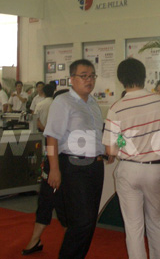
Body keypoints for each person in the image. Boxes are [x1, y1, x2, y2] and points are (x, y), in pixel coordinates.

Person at [103, 58, 160, 259]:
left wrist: (124, 142)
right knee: (155, 221)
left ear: (121, 80)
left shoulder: (116, 107)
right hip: (155, 168)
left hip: (129, 169)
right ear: (144, 76)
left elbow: (110, 149)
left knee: (133, 226)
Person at [43, 59, 108, 258]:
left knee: (90, 221)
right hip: (74, 166)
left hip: (95, 167)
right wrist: (54, 169)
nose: (89, 80)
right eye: (84, 76)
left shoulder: (93, 103)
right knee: (82, 221)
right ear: (72, 79)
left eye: (92, 76)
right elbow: (52, 137)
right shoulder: (63, 102)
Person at [21, 82, 57, 255]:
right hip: (53, 167)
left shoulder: (43, 104)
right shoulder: (54, 111)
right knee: (47, 202)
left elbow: (37, 122)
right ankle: (35, 240)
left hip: (57, 166)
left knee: (56, 206)